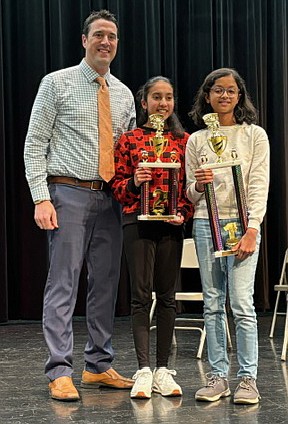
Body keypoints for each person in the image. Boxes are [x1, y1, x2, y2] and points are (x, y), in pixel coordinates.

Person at [24, 10, 136, 401]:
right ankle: (59, 370)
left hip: (111, 199)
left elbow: (128, 152)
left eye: (113, 37)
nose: (107, 42)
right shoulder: (56, 83)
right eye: (100, 35)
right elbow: (35, 142)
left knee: (104, 285)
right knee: (63, 283)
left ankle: (98, 366)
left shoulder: (122, 93)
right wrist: (41, 196)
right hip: (67, 193)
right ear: (84, 40)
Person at [185, 68, 269, 404]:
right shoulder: (196, 140)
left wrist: (253, 228)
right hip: (206, 223)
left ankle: (248, 379)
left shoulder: (254, 135)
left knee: (241, 302)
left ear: (239, 95)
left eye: (231, 90)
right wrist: (198, 186)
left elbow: (259, 184)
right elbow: (191, 194)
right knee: (212, 303)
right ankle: (218, 376)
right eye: (217, 90)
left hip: (243, 224)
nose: (224, 96)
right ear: (207, 95)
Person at [111, 76, 193, 399]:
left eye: (169, 97)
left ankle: (163, 369)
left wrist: (183, 212)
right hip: (137, 222)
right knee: (140, 297)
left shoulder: (184, 141)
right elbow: (116, 187)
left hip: (171, 225)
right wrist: (134, 181)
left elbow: (187, 187)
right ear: (143, 103)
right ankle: (143, 369)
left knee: (168, 297)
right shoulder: (129, 140)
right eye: (156, 97)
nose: (163, 103)